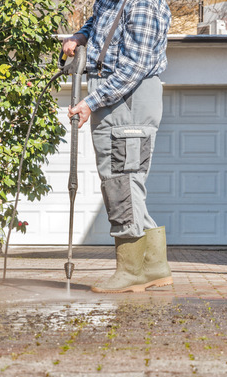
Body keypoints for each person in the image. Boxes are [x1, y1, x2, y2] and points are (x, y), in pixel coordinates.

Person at [62, 0, 172, 293]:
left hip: (128, 97)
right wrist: (80, 37)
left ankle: (131, 271)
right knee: (125, 182)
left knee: (121, 182)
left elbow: (135, 66)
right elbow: (99, 23)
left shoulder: (143, 4)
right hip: (114, 97)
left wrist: (91, 102)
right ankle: (154, 267)